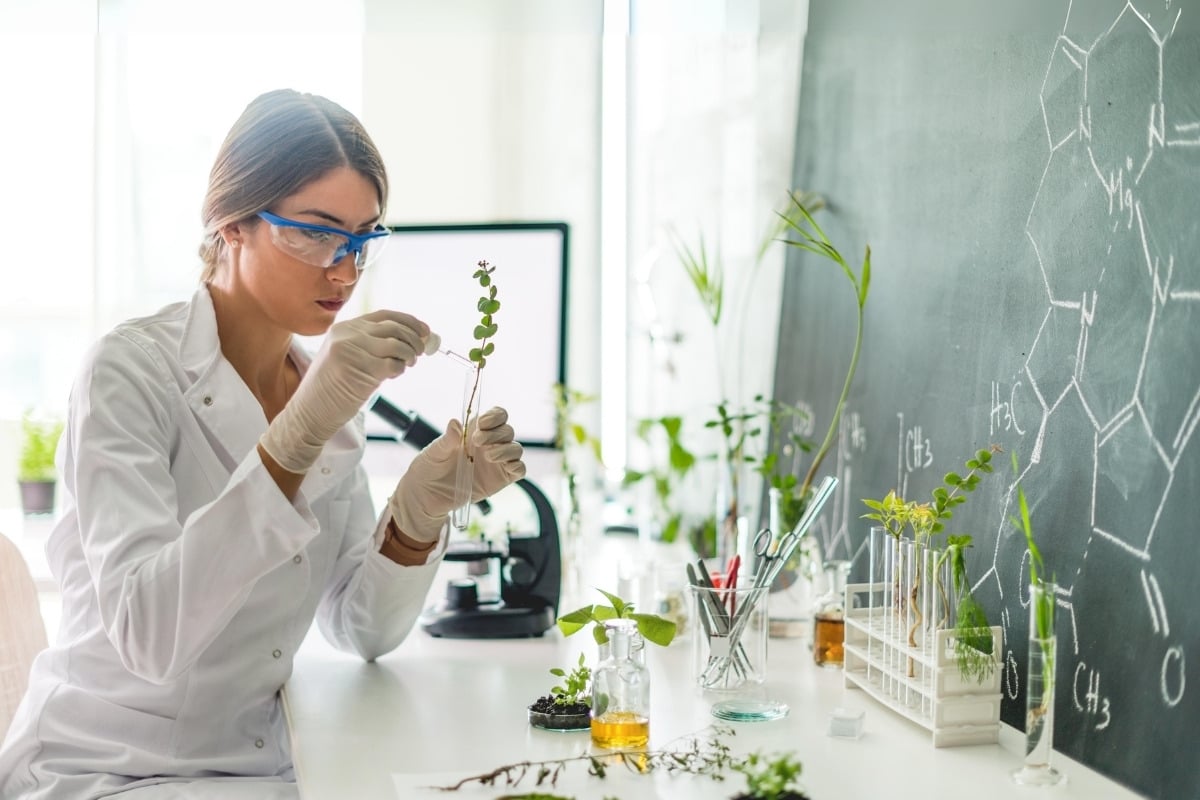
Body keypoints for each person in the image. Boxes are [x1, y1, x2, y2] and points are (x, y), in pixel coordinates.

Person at [0, 89, 526, 799]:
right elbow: (148, 635)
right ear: (232, 222)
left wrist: (415, 516)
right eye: (314, 232)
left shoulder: (323, 391)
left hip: (259, 761)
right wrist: (297, 435)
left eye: (364, 238)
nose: (343, 269)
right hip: (113, 765)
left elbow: (357, 628)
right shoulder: (128, 373)